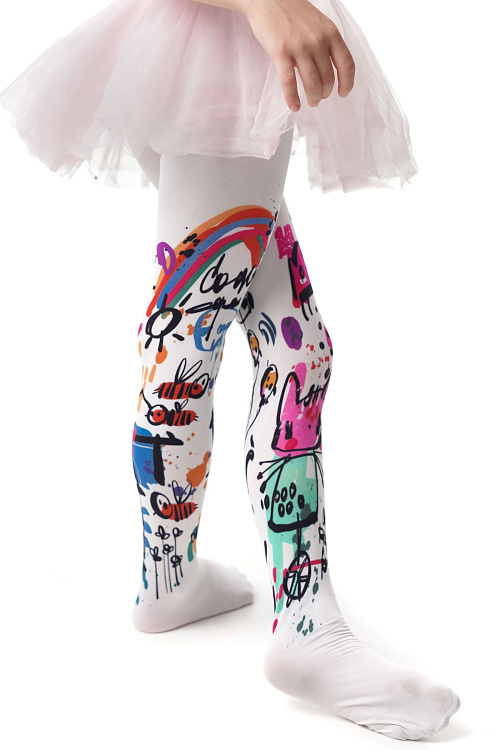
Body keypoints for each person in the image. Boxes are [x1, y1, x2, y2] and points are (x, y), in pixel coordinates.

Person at [0, 0, 461, 740]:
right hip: (226, 40)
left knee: (290, 345)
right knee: (195, 333)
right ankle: (306, 625)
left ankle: (169, 580)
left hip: (206, 42)